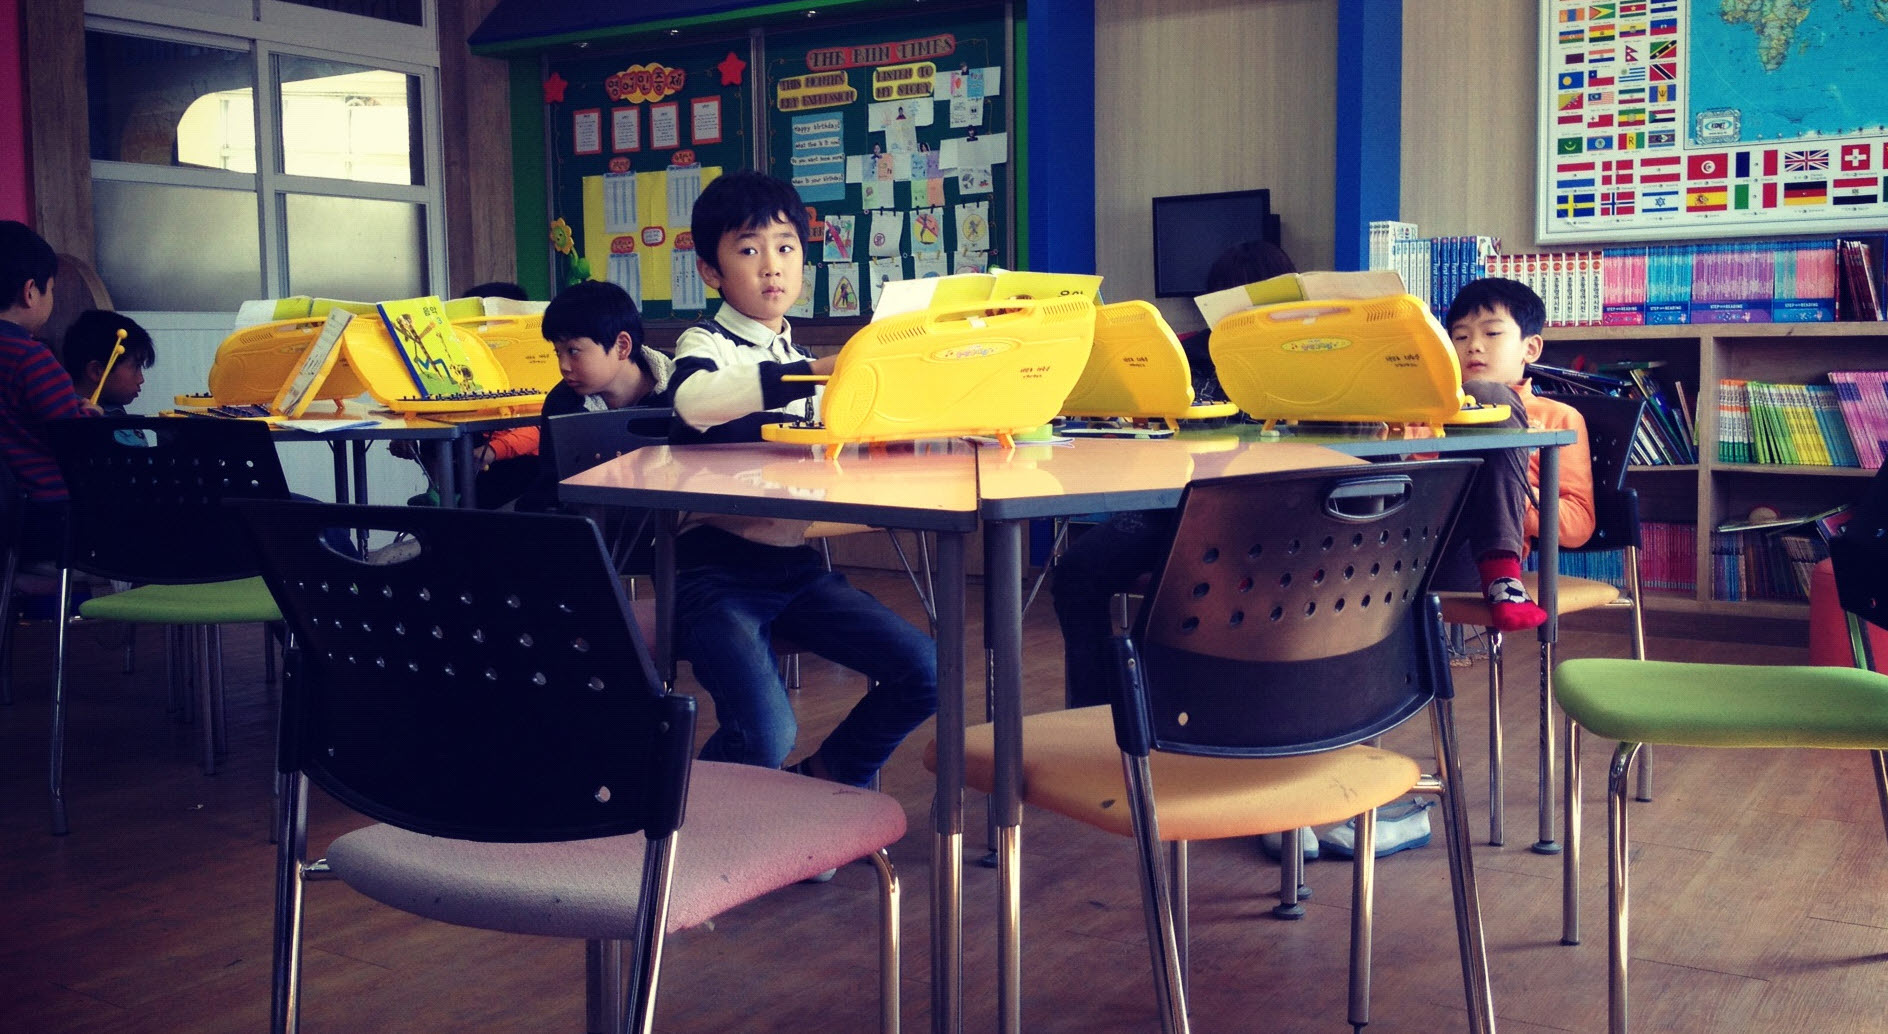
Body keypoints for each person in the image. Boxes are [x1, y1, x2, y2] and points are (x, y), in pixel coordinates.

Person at [668, 169, 937, 788]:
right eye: (748, 250)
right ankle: (686, 822)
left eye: (786, 248)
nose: (772, 267)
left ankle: (824, 779)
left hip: (795, 570)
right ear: (710, 271)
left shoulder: (794, 354)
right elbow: (693, 401)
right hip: (714, 574)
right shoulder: (705, 343)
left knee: (926, 671)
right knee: (767, 732)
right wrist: (812, 373)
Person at [1051, 239, 1298, 710]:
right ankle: (1097, 713)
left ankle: (1183, 710)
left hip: (1261, 519)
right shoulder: (1182, 353)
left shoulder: (1299, 356)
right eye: (1220, 298)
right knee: (1076, 573)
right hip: (1167, 510)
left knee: (1192, 593)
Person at [1435, 276, 1595, 629]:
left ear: (1531, 348)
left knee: (1488, 397)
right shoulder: (1427, 410)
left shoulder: (1559, 418)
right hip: (1406, 538)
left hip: (1469, 557)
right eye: (1460, 337)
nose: (1474, 346)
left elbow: (1578, 524)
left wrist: (1504, 494)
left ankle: (1501, 572)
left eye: (1492, 333)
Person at [516, 278, 673, 512]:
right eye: (558, 352)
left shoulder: (684, 390)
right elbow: (551, 486)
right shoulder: (562, 403)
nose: (563, 366)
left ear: (621, 346)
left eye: (573, 351)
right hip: (591, 520)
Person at [0, 221, 101, 566]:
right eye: (51, 291)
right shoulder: (31, 358)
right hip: (47, 513)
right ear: (30, 292)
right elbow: (72, 439)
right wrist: (89, 416)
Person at [62, 309, 156, 414]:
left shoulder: (113, 408)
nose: (141, 380)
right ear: (96, 371)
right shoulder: (68, 417)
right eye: (136, 367)